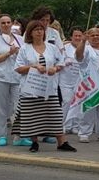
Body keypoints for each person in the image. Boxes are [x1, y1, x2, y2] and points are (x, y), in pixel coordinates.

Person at [12, 21, 76, 153]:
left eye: (41, 29)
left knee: (55, 114)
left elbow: (61, 63)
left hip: (49, 88)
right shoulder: (25, 48)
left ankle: (61, 142)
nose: (39, 32)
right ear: (30, 33)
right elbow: (18, 68)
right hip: (31, 88)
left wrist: (55, 68)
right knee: (32, 116)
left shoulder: (51, 48)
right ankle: (34, 142)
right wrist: (33, 67)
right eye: (36, 29)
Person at [75, 27, 99, 143]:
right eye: (92, 35)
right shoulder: (86, 49)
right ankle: (84, 133)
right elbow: (78, 56)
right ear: (89, 37)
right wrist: (83, 41)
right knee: (88, 110)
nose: (95, 37)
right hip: (91, 85)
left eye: (97, 35)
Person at [0, 14, 26, 147]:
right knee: (1, 108)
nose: (6, 25)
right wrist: (8, 53)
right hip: (1, 77)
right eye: (3, 23)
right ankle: (1, 135)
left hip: (17, 77)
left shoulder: (20, 39)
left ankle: (19, 136)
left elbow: (25, 57)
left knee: (19, 106)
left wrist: (18, 52)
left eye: (8, 22)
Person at [59, 27, 85, 134]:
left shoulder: (85, 47)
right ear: (71, 37)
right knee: (67, 101)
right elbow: (59, 60)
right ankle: (63, 124)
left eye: (80, 36)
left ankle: (75, 125)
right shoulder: (65, 48)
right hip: (66, 80)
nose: (78, 38)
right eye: (76, 36)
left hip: (79, 79)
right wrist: (65, 62)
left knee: (78, 102)